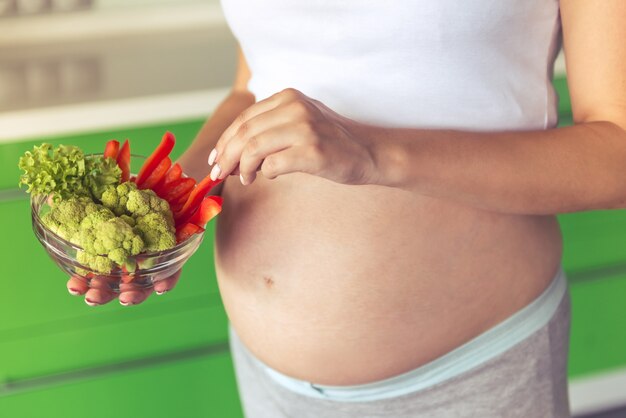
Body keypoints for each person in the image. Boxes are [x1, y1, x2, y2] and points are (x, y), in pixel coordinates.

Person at [68, 1, 626, 416]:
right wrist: (170, 202)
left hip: (465, 377)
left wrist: (374, 152)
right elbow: (254, 88)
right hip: (270, 384)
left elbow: (617, 153)